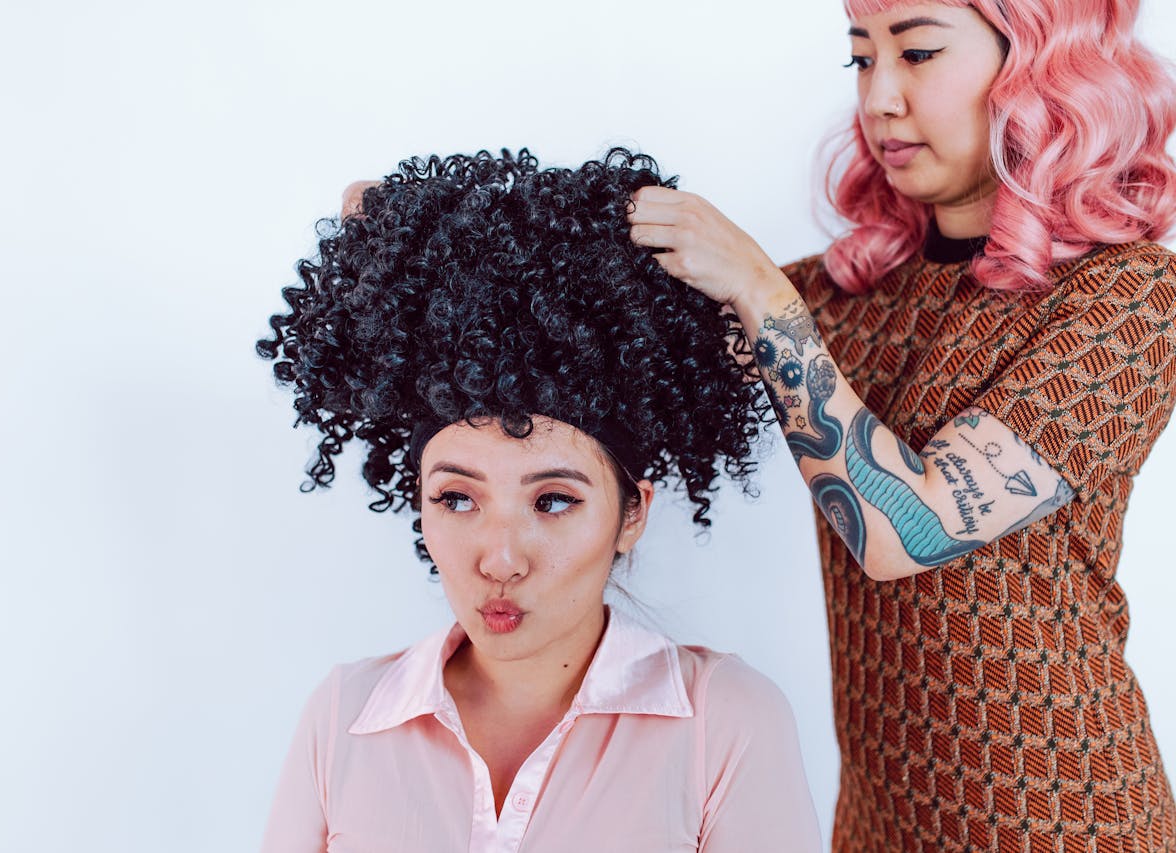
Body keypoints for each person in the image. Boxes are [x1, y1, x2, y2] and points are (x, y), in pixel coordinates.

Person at [626, 0, 1176, 850]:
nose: (880, 96)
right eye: (861, 58)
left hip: (1061, 816)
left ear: (1038, 63)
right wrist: (434, 228)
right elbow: (617, 318)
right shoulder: (851, 295)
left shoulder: (1129, 297)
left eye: (917, 52)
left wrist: (765, 296)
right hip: (880, 821)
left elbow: (904, 530)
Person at [256, 149, 822, 852]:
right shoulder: (344, 716)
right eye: (457, 498)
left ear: (633, 512)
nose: (499, 558)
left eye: (552, 501)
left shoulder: (723, 723)